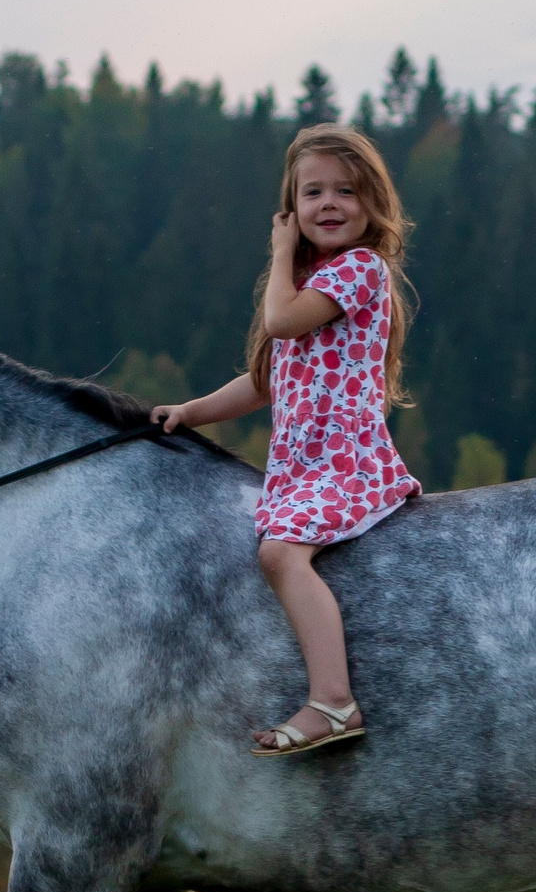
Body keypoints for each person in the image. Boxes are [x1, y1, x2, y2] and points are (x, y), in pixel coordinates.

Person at [151, 124, 422, 756]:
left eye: (346, 191)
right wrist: (190, 412)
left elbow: (280, 322)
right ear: (292, 206)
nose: (329, 204)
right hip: (302, 471)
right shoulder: (313, 281)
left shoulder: (359, 269)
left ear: (372, 202)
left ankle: (333, 702)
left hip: (348, 463)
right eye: (313, 192)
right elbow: (261, 382)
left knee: (279, 555)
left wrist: (279, 254)